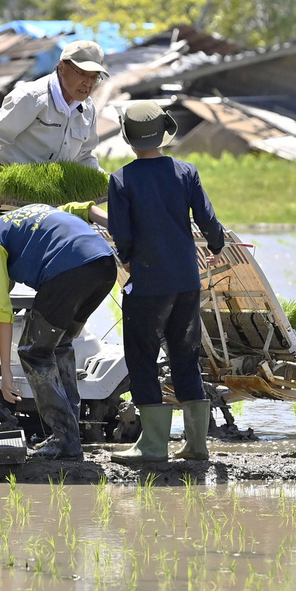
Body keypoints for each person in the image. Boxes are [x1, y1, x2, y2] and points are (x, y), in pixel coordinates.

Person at [0, 40, 109, 378]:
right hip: (7, 197)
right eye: (82, 75)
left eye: (95, 78)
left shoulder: (86, 111)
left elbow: (86, 159)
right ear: (62, 68)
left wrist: (109, 186)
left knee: (62, 272)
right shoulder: (31, 98)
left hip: (51, 205)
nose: (88, 84)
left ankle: (53, 351)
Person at [0, 199, 116, 461]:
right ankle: (69, 436)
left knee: (33, 352)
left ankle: (65, 440)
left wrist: (5, 374)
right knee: (60, 345)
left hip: (68, 271)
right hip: (104, 265)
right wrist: (122, 231)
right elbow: (80, 212)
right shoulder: (28, 213)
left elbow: (2, 310)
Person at [107, 100, 225, 464]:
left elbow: (120, 233)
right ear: (164, 133)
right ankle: (196, 445)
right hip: (187, 282)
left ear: (128, 137)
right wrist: (217, 245)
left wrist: (126, 255)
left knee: (142, 357)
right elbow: (207, 219)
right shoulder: (186, 172)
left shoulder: (122, 179)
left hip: (148, 284)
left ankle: (153, 446)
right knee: (185, 357)